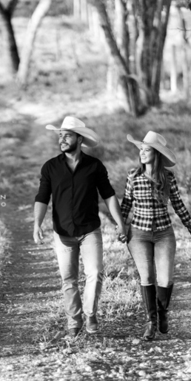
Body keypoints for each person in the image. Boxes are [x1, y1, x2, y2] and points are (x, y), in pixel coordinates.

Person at [34, 115, 127, 337]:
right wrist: (37, 224)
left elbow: (109, 196)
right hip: (62, 233)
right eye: (60, 136)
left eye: (67, 135)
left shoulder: (94, 166)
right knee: (69, 280)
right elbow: (42, 197)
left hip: (89, 231)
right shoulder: (50, 167)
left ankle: (90, 314)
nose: (62, 139)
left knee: (95, 272)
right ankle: (74, 323)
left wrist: (120, 223)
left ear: (79, 138)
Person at [118, 130, 191, 340]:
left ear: (156, 154)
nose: (142, 153)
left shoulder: (167, 178)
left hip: (164, 233)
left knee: (166, 278)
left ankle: (163, 312)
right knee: (146, 277)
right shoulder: (133, 176)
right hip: (138, 233)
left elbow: (178, 204)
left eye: (147, 150)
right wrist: (120, 227)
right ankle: (151, 322)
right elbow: (126, 204)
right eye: (141, 150)